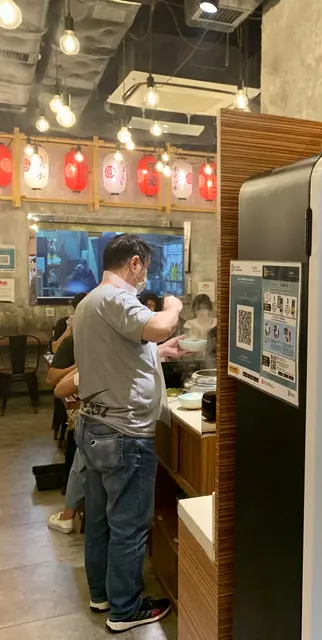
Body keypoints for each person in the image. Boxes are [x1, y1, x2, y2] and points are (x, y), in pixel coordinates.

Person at [73, 234, 184, 633]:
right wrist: (173, 306)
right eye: (146, 268)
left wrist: (160, 352)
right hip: (124, 432)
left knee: (101, 520)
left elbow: (118, 353)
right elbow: (159, 325)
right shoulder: (116, 298)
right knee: (130, 525)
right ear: (134, 263)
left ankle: (102, 594)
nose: (145, 277)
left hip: (95, 425)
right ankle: (126, 609)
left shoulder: (90, 302)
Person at [48, 368, 87, 537]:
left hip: (101, 431)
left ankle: (67, 515)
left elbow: (59, 389)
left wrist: (80, 364)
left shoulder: (98, 362)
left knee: (82, 458)